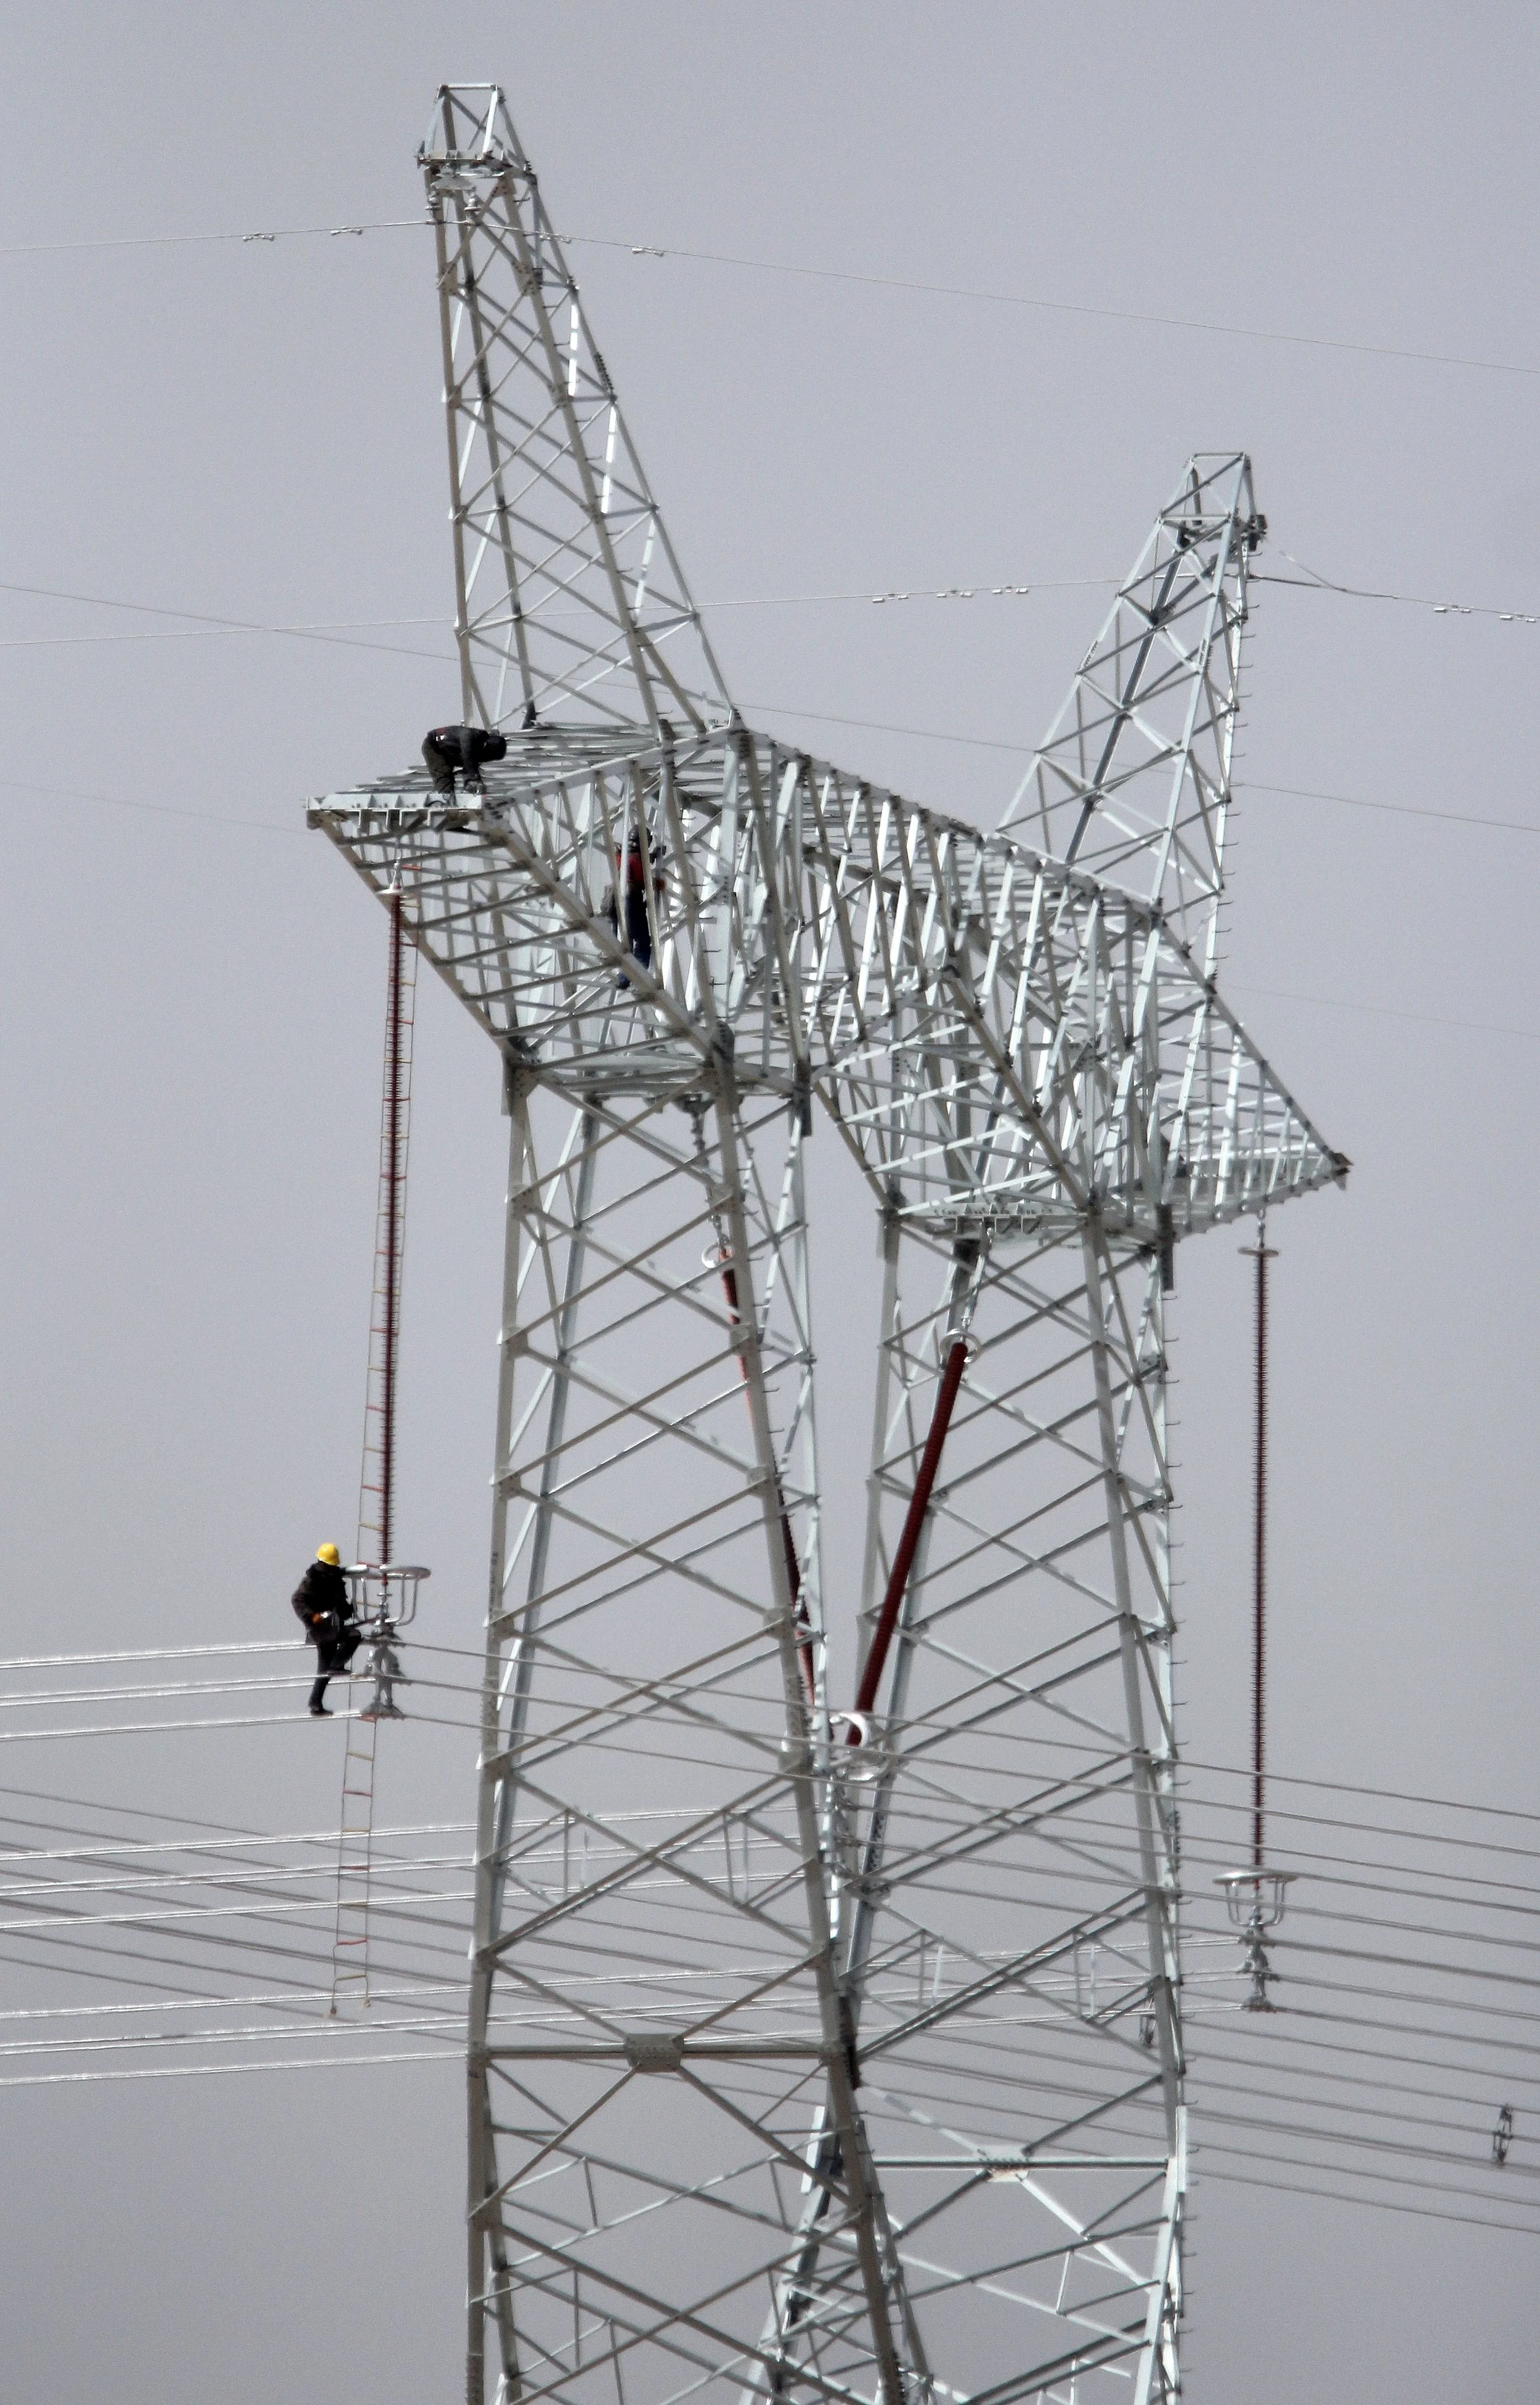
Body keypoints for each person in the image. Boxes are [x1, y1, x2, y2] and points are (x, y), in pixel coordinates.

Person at [291, 1542, 362, 1718]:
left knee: (324, 1671)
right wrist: (312, 1616)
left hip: (332, 1627)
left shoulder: (335, 1580)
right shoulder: (312, 1580)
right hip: (321, 1629)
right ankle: (336, 1666)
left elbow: (340, 1605)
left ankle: (316, 1704)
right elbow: (297, 1600)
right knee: (354, 1636)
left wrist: (347, 1611)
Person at [605, 826, 667, 982]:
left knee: (625, 943)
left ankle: (624, 977)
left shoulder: (622, 855)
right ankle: (635, 975)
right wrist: (658, 883)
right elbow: (642, 878)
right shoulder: (635, 859)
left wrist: (653, 856)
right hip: (631, 904)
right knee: (642, 941)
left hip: (616, 904)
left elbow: (637, 864)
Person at [421, 723, 509, 797]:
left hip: (450, 750)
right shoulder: (470, 737)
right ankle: (445, 800)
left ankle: (468, 788)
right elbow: (468, 756)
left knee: (471, 766)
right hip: (434, 748)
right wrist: (474, 778)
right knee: (443, 774)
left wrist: (476, 782)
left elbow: (472, 764)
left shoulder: (479, 742)